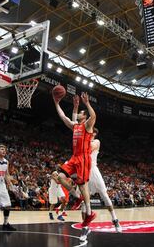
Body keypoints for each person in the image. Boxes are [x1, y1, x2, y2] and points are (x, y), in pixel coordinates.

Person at [52, 92, 97, 228]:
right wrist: (56, 103)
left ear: (84, 116)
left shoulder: (87, 126)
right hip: (74, 157)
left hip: (83, 158)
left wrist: (87, 103)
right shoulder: (75, 126)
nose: (77, 115)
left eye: (80, 113)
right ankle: (77, 197)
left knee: (83, 186)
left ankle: (89, 213)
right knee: (58, 176)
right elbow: (63, 116)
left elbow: (94, 116)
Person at [80, 128, 122, 234]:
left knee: (104, 195)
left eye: (90, 132)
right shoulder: (84, 141)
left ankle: (115, 220)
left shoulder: (96, 141)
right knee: (84, 202)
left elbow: (89, 148)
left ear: (94, 133)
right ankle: (85, 227)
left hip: (93, 171)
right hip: (84, 172)